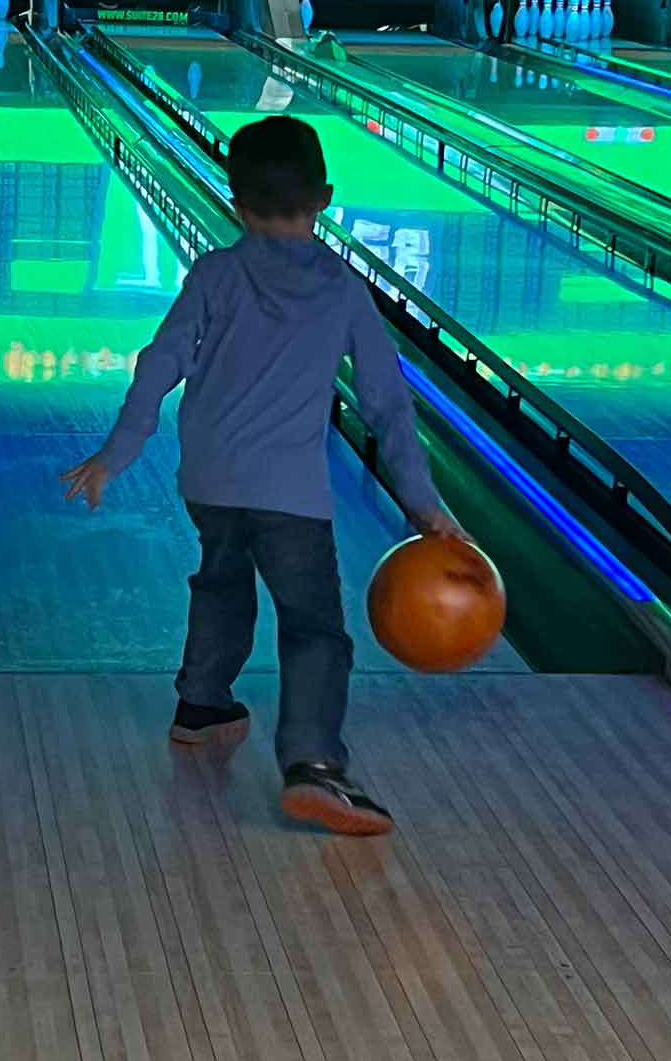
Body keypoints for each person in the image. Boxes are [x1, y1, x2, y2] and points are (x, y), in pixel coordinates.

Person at [62, 116, 464, 836]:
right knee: (315, 630)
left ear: (233, 200)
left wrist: (117, 453)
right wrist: (424, 507)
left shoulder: (215, 274)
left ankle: (202, 704)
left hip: (210, 484)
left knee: (221, 586)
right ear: (327, 199)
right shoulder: (344, 290)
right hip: (291, 499)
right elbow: (387, 407)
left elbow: (159, 364)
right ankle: (312, 764)